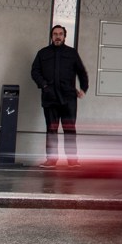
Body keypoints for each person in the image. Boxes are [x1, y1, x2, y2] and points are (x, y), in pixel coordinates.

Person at [30, 24, 89, 169]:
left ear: (64, 36)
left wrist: (83, 88)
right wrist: (44, 85)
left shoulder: (72, 53)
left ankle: (72, 160)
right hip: (50, 98)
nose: (57, 36)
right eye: (55, 34)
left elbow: (82, 72)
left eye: (60, 34)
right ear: (51, 36)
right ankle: (51, 160)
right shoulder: (43, 53)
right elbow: (35, 71)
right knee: (51, 129)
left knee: (70, 129)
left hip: (68, 97)